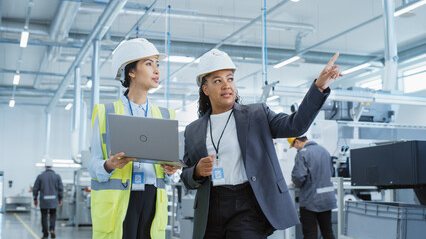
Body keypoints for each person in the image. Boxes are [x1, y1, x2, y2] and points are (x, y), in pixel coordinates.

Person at [180, 48, 342, 239]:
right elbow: (186, 176)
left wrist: (319, 87)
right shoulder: (193, 130)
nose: (226, 85)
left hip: (246, 206)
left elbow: (295, 125)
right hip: (210, 209)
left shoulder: (256, 115)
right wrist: (197, 171)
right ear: (205, 89)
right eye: (218, 81)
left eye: (230, 79)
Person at [89, 38, 181, 239]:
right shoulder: (105, 112)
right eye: (149, 64)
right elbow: (93, 166)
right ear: (131, 71)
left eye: (157, 64)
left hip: (152, 200)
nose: (156, 70)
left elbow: (170, 177)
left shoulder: (166, 116)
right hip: (120, 201)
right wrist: (109, 164)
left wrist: (172, 171)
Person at [289, 136, 337, 239]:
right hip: (327, 199)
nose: (296, 149)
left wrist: (295, 183)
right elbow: (331, 172)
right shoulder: (324, 150)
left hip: (310, 200)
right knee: (328, 232)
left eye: (294, 146)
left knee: (310, 233)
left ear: (297, 142)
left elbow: (298, 177)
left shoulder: (302, 153)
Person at [33, 158, 63, 239]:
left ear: (45, 166)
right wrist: (60, 199)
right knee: (53, 215)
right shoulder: (57, 176)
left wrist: (35, 199)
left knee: (44, 216)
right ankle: (52, 229)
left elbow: (35, 188)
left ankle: (45, 234)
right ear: (52, 166)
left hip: (44, 200)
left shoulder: (40, 176)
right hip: (54, 200)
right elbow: (61, 188)